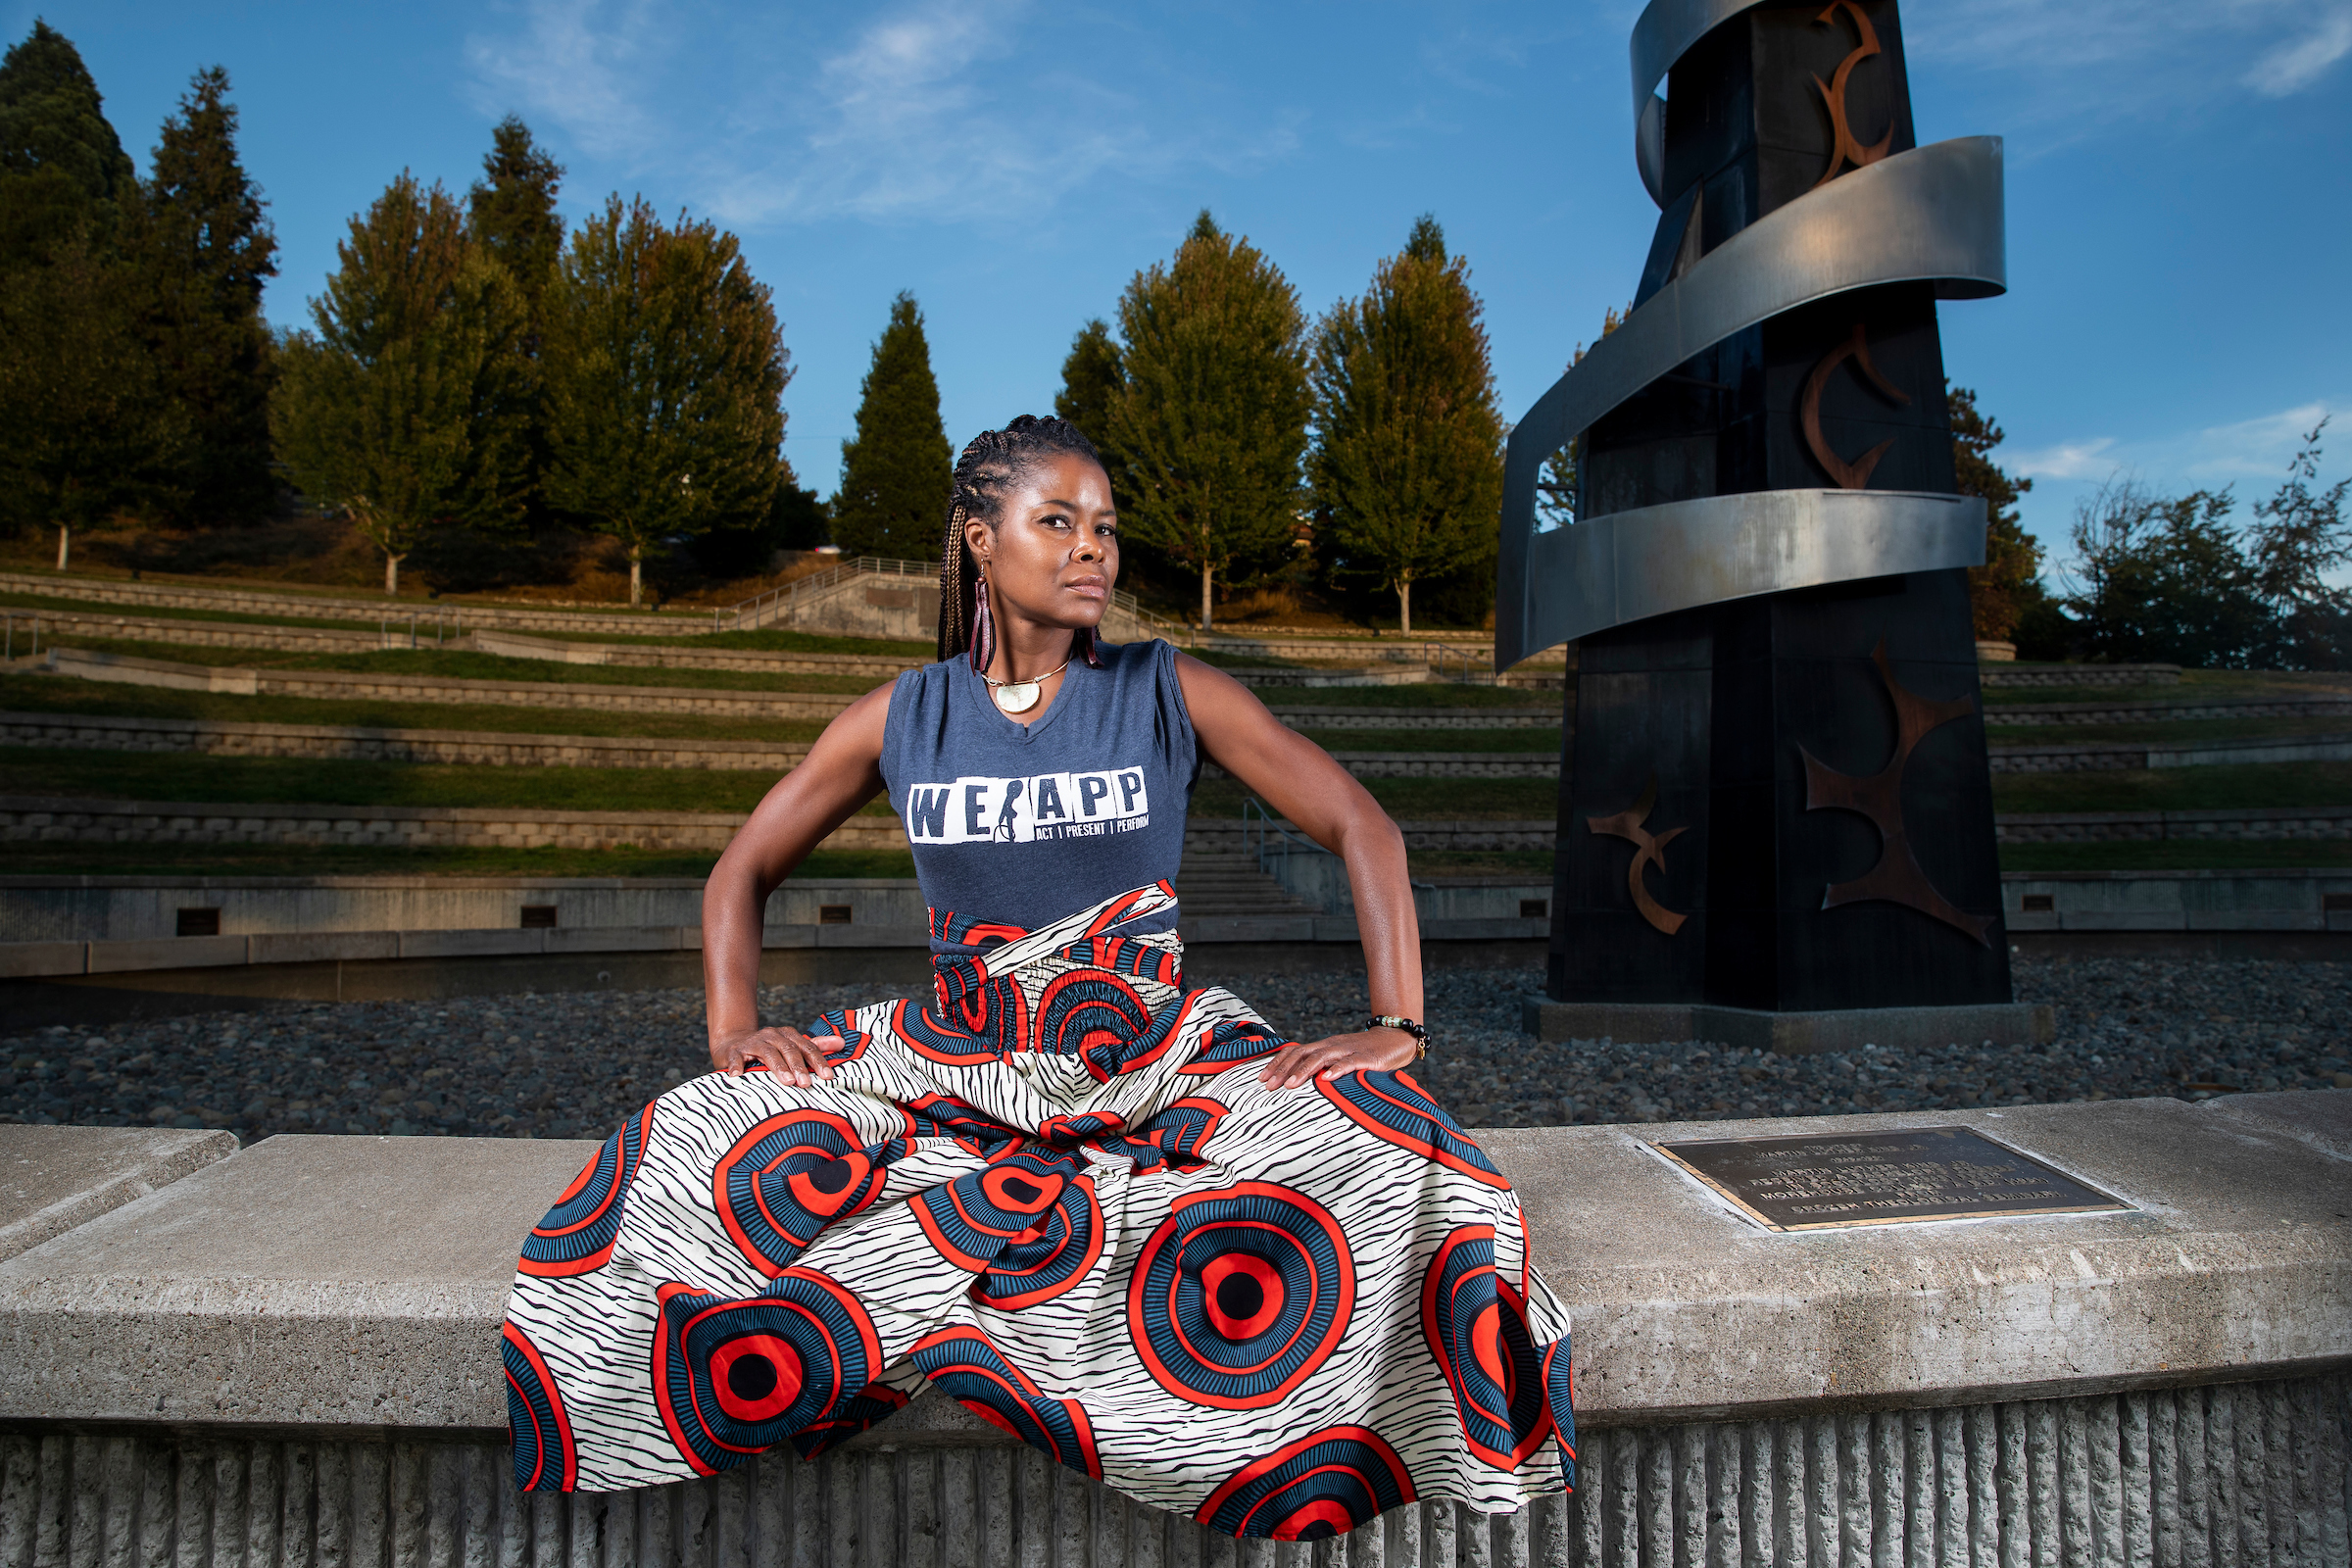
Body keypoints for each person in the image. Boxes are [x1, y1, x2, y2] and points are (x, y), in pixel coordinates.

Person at [503, 416, 1575, 1540]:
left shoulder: (1169, 688)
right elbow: (742, 870)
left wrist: (1394, 1021)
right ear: (979, 538)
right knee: (694, 1135)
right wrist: (734, 1028)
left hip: (1152, 1053)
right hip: (959, 1054)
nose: (1091, 548)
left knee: (1395, 1143)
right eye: (1056, 521)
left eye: (1104, 527)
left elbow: (1362, 823)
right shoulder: (905, 712)